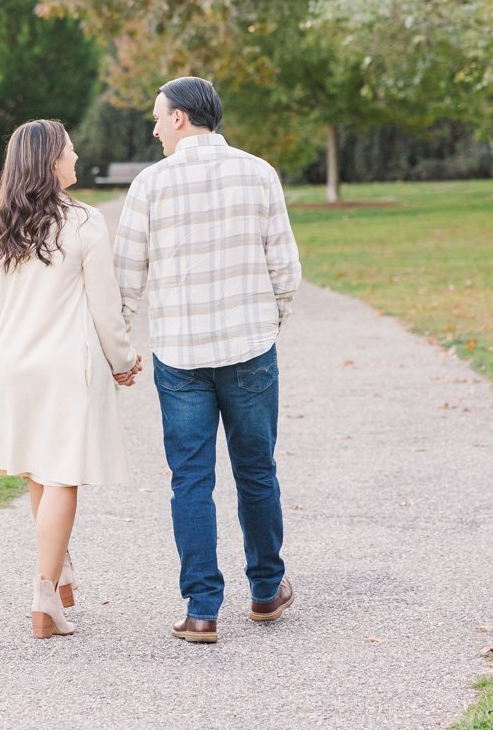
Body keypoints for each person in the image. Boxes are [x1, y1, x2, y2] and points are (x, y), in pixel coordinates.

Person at [113, 76, 302, 644]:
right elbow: (285, 269)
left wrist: (120, 347)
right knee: (256, 470)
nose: (153, 127)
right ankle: (267, 591)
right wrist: (266, 325)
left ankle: (201, 610)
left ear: (179, 118)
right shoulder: (259, 172)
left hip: (180, 356)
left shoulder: (150, 185)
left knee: (189, 480)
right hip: (249, 348)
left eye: (156, 116)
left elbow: (125, 280)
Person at [0, 118, 143, 639]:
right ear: (50, 161)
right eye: (69, 152)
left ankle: (59, 568)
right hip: (67, 368)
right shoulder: (85, 222)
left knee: (37, 469)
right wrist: (122, 361)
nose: (75, 159)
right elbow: (105, 308)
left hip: (12, 367)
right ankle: (44, 596)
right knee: (62, 474)